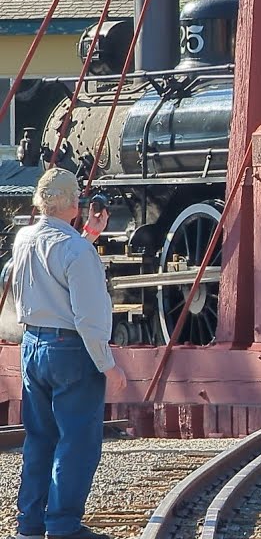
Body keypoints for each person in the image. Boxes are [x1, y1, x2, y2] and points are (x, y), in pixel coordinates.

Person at [9, 169, 123, 539]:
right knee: (76, 442)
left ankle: (29, 525)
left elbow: (51, 264)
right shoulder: (77, 251)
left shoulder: (23, 239)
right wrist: (108, 365)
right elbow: (88, 317)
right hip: (71, 350)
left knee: (39, 439)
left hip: (33, 345)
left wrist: (88, 235)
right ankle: (62, 526)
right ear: (74, 203)